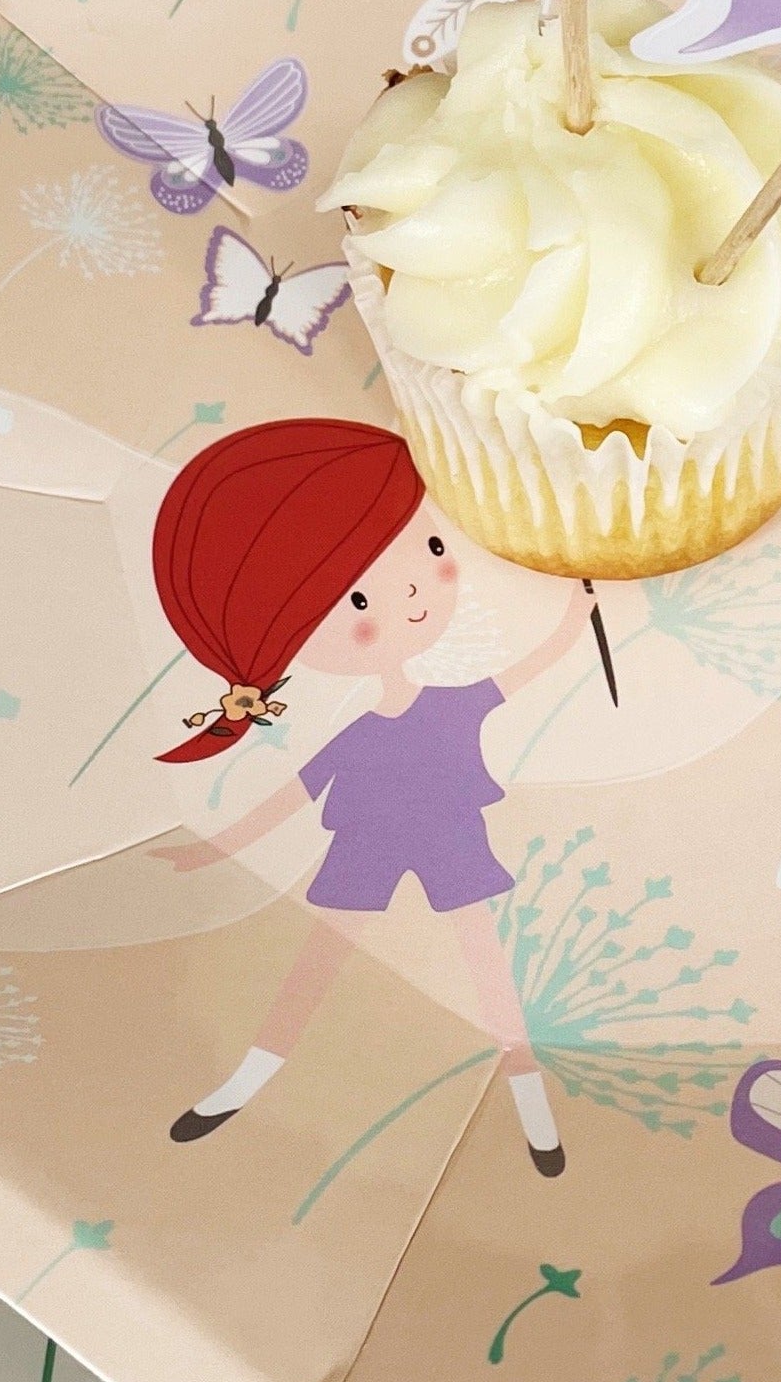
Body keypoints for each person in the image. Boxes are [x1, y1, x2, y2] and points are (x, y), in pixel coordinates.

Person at [145, 418, 601, 1174]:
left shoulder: (453, 704)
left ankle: (530, 1103)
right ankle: (246, 1080)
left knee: (486, 965)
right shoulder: (355, 739)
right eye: (358, 599)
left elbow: (534, 666)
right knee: (319, 961)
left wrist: (574, 617)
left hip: (450, 841)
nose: (413, 594)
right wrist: (214, 849)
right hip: (368, 844)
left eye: (430, 549)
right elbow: (291, 796)